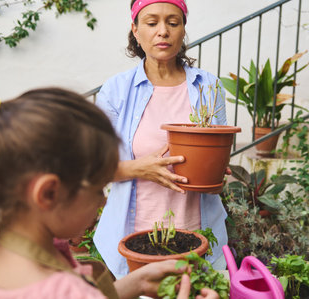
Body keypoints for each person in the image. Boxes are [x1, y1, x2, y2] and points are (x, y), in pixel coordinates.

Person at [0, 88, 218, 299]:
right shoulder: (66, 290)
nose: (103, 200)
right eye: (98, 187)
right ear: (48, 194)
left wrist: (134, 284)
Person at [93, 0, 229, 278]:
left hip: (199, 235)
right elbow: (94, 168)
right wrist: (140, 168)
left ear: (183, 29)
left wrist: (216, 175)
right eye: (152, 23)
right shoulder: (115, 91)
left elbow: (217, 153)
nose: (163, 31)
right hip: (135, 240)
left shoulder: (209, 87)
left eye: (173, 22)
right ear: (135, 30)